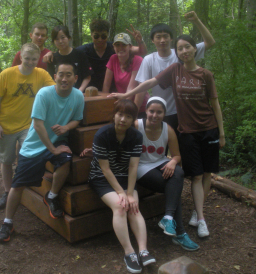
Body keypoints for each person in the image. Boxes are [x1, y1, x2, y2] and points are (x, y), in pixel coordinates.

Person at [109, 35, 225, 238]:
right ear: (177, 53)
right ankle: (193, 216)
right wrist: (126, 96)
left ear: (194, 49)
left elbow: (215, 104)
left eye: (187, 47)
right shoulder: (174, 70)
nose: (184, 51)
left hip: (209, 128)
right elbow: (149, 82)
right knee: (195, 174)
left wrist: (222, 133)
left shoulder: (205, 74)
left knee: (207, 173)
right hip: (188, 129)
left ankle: (199, 215)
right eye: (180, 49)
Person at [0, 62, 84, 243]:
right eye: (61, 74)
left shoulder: (78, 96)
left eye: (69, 75)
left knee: (66, 160)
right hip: (35, 143)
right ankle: (7, 222)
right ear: (55, 76)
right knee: (18, 184)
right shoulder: (45, 94)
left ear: (75, 79)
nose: (64, 79)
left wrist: (66, 127)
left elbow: (77, 119)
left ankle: (51, 196)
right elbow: (37, 124)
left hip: (57, 140)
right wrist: (51, 149)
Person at [86, 99, 155, 273]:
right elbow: (105, 168)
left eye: (128, 116)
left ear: (133, 120)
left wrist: (130, 193)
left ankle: (143, 250)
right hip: (101, 177)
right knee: (119, 206)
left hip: (125, 177)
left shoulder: (136, 136)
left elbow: (133, 166)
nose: (123, 119)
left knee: (133, 206)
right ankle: (129, 252)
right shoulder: (102, 135)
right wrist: (120, 193)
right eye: (120, 114)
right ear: (114, 115)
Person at [0, 43, 55, 210]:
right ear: (21, 57)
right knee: (6, 160)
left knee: (26, 155)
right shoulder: (6, 74)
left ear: (38, 59)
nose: (30, 62)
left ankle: (21, 187)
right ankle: (7, 191)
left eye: (34, 59)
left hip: (28, 124)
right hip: (6, 125)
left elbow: (55, 90)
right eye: (27, 58)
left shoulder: (41, 74)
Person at [134, 97, 199, 251]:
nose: (154, 115)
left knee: (178, 172)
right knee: (173, 187)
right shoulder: (137, 126)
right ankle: (180, 233)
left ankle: (168, 218)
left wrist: (172, 161)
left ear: (164, 113)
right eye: (151, 111)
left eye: (159, 112)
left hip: (160, 162)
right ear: (146, 111)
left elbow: (177, 155)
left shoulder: (167, 129)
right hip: (140, 166)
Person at [135, 11, 215, 134]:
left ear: (171, 38)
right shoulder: (149, 60)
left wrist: (196, 20)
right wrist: (133, 114)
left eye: (165, 36)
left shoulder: (182, 53)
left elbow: (210, 42)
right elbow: (141, 89)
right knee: (162, 148)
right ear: (152, 40)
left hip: (184, 113)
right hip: (161, 113)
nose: (162, 40)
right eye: (158, 37)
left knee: (182, 149)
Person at [45, 20, 148, 91]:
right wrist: (51, 53)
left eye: (103, 36)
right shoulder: (83, 50)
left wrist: (140, 41)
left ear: (107, 35)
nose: (100, 39)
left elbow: (141, 51)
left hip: (111, 90)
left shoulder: (115, 48)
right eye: (96, 36)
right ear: (91, 35)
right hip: (89, 91)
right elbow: (68, 53)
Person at [102, 33, 149, 118]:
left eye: (124, 45)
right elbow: (106, 85)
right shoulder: (113, 59)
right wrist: (104, 103)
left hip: (138, 107)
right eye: (117, 45)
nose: (120, 48)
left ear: (130, 46)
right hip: (123, 105)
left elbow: (132, 87)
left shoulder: (137, 60)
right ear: (114, 47)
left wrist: (126, 108)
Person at [46, 25, 92, 92]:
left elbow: (88, 76)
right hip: (58, 95)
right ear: (53, 41)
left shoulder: (80, 54)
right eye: (57, 39)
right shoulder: (52, 58)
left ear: (69, 38)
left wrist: (80, 91)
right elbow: (50, 80)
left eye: (63, 37)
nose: (60, 41)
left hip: (78, 93)